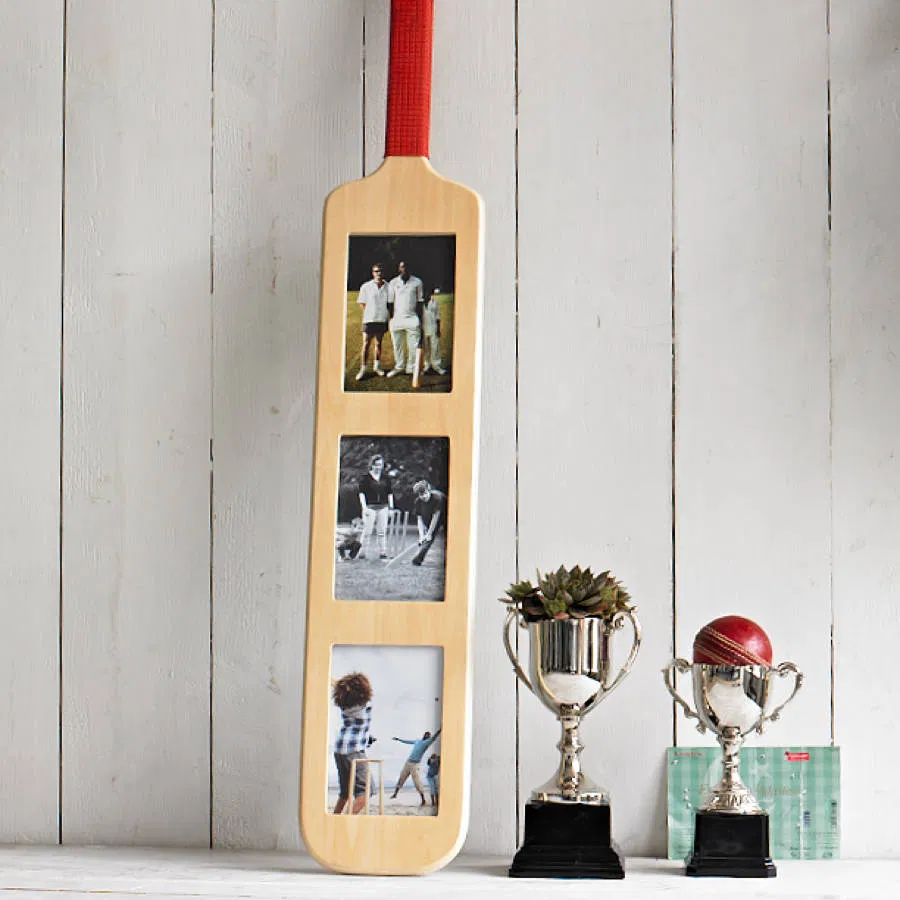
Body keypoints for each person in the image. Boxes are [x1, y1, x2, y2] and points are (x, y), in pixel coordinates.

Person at [331, 672, 375, 815]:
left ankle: (334, 820)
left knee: (345, 793)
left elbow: (340, 686)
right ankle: (344, 823)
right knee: (365, 792)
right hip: (354, 751)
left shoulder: (345, 707)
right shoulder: (363, 706)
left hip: (340, 749)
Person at [386, 260, 424, 378]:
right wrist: (391, 319)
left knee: (413, 346)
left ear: (410, 268)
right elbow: (390, 303)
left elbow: (420, 302)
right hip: (397, 319)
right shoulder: (393, 282)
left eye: (407, 267)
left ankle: (411, 367)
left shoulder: (417, 282)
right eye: (402, 267)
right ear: (399, 269)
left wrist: (420, 320)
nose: (405, 269)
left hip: (412, 318)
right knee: (398, 345)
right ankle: (399, 366)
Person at [355, 263, 390, 381]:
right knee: (366, 344)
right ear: (372, 273)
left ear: (383, 273)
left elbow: (390, 304)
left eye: (380, 271)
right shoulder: (366, 286)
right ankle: (363, 369)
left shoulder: (389, 286)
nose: (378, 274)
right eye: (376, 271)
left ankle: (377, 367)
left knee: (378, 344)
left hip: (382, 320)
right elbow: (362, 303)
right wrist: (370, 313)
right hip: (369, 320)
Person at [390, 729, 441, 806]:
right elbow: (408, 742)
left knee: (417, 782)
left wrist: (440, 730)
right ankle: (395, 794)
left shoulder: (427, 743)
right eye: (426, 734)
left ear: (428, 738)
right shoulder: (417, 741)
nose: (426, 735)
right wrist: (399, 739)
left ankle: (423, 800)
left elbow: (434, 737)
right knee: (401, 778)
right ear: (424, 735)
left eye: (428, 735)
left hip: (415, 765)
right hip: (408, 762)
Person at [358, 455, 394, 560]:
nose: (379, 467)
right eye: (376, 465)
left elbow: (390, 494)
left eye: (381, 465)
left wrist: (391, 508)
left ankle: (383, 552)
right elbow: (361, 494)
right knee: (367, 532)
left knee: (382, 531)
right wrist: (364, 508)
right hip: (370, 508)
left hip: (383, 508)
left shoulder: (386, 478)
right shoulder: (365, 478)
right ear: (372, 465)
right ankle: (362, 553)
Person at [411, 480, 446, 566]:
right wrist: (421, 536)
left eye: (425, 493)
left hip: (446, 515)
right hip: (430, 516)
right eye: (421, 495)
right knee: (427, 540)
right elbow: (420, 519)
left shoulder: (437, 498)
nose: (424, 496)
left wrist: (429, 533)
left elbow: (436, 517)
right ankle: (418, 560)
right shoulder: (418, 502)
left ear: (429, 490)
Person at [421, 287, 446, 375]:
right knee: (426, 348)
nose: (426, 294)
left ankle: (436, 365)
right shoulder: (420, 304)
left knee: (435, 347)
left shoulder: (434, 302)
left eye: (428, 292)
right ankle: (427, 365)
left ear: (430, 293)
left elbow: (438, 316)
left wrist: (438, 329)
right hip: (423, 328)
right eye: (424, 292)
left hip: (433, 327)